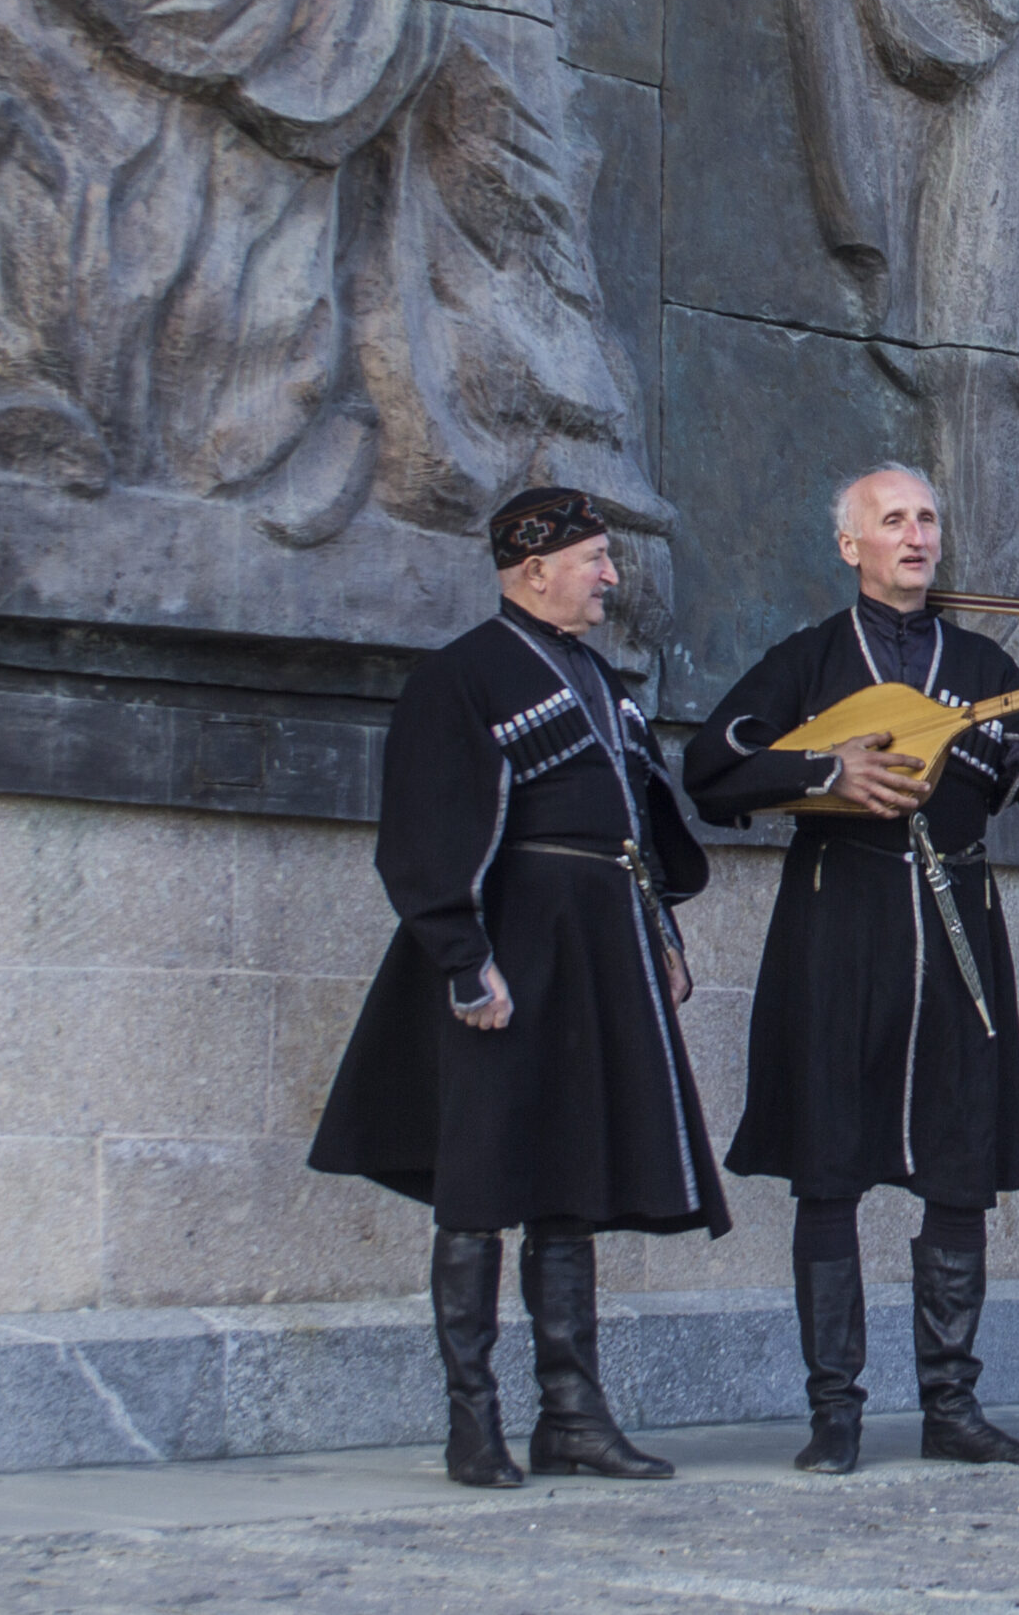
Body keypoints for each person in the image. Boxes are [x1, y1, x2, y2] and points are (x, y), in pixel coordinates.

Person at [681, 465, 1019, 1476]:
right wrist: (824, 772)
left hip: (957, 919)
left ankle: (951, 1409)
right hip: (841, 923)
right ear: (852, 546)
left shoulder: (979, 658)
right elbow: (711, 769)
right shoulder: (807, 661)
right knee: (829, 1165)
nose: (915, 535)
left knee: (959, 1167)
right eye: (893, 520)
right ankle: (834, 1414)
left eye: (926, 518)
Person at [310, 488, 727, 1488]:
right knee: (484, 1182)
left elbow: (631, 818)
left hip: (597, 944)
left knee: (570, 1182)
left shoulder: (597, 677)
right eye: (596, 560)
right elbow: (421, 830)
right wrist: (463, 959)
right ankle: (473, 1425)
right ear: (534, 569)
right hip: (509, 949)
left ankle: (572, 1419)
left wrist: (660, 931)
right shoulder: (462, 676)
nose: (612, 577)